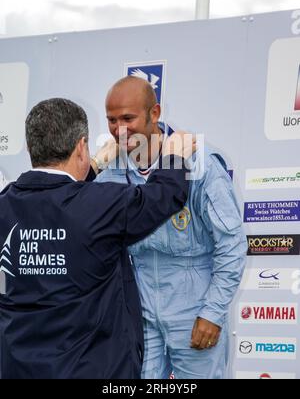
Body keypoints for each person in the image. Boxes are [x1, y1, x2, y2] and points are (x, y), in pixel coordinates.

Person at [0, 97, 194, 379]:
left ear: (31, 148)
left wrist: (91, 165)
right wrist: (175, 157)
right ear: (81, 146)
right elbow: (161, 197)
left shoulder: (4, 205)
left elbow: (63, 204)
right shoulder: (101, 205)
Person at [96, 76, 247, 379]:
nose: (119, 129)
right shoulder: (110, 170)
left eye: (128, 118)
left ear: (155, 113)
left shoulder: (198, 163)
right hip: (139, 311)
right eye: (112, 120)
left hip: (194, 309)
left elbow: (231, 244)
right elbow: (77, 216)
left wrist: (212, 312)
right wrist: (93, 169)